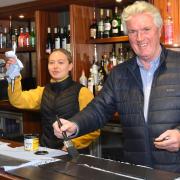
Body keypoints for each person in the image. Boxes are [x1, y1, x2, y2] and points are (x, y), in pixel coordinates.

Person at [53, 1, 180, 173]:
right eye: (133, 32)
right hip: (136, 170)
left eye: (146, 29)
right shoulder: (119, 73)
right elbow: (99, 109)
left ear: (160, 30)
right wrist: (75, 125)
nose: (140, 38)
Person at [6, 48, 100, 152]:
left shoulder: (82, 92)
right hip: (46, 151)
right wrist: (13, 75)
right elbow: (17, 100)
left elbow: (94, 128)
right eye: (51, 63)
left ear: (70, 66)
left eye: (60, 62)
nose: (55, 66)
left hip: (73, 154)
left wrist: (72, 144)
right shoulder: (43, 91)